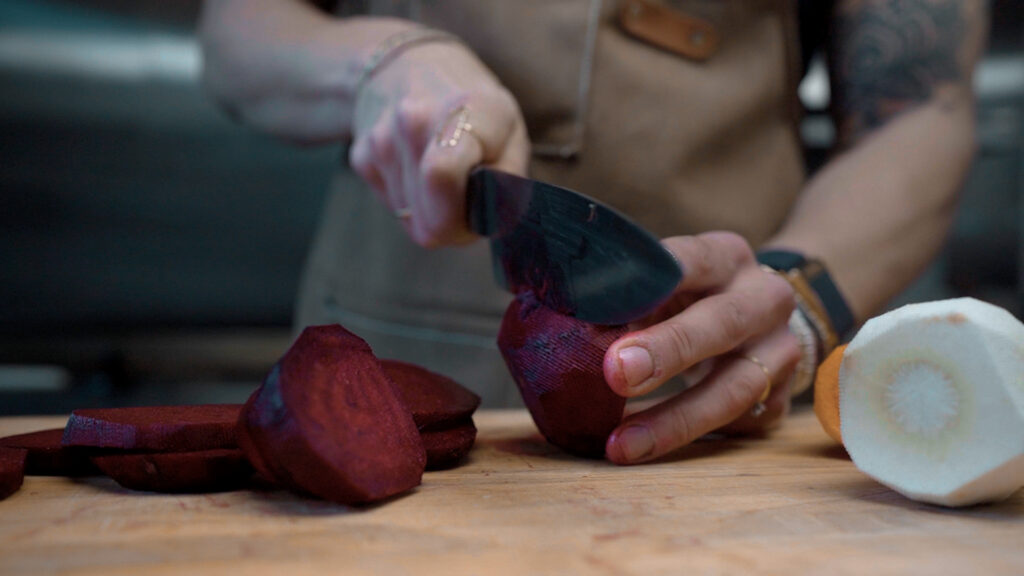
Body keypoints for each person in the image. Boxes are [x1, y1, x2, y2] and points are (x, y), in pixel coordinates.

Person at [197, 0, 988, 465]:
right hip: (386, 367)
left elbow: (923, 106)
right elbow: (238, 23)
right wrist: (380, 63)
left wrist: (794, 294)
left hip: (724, 394)